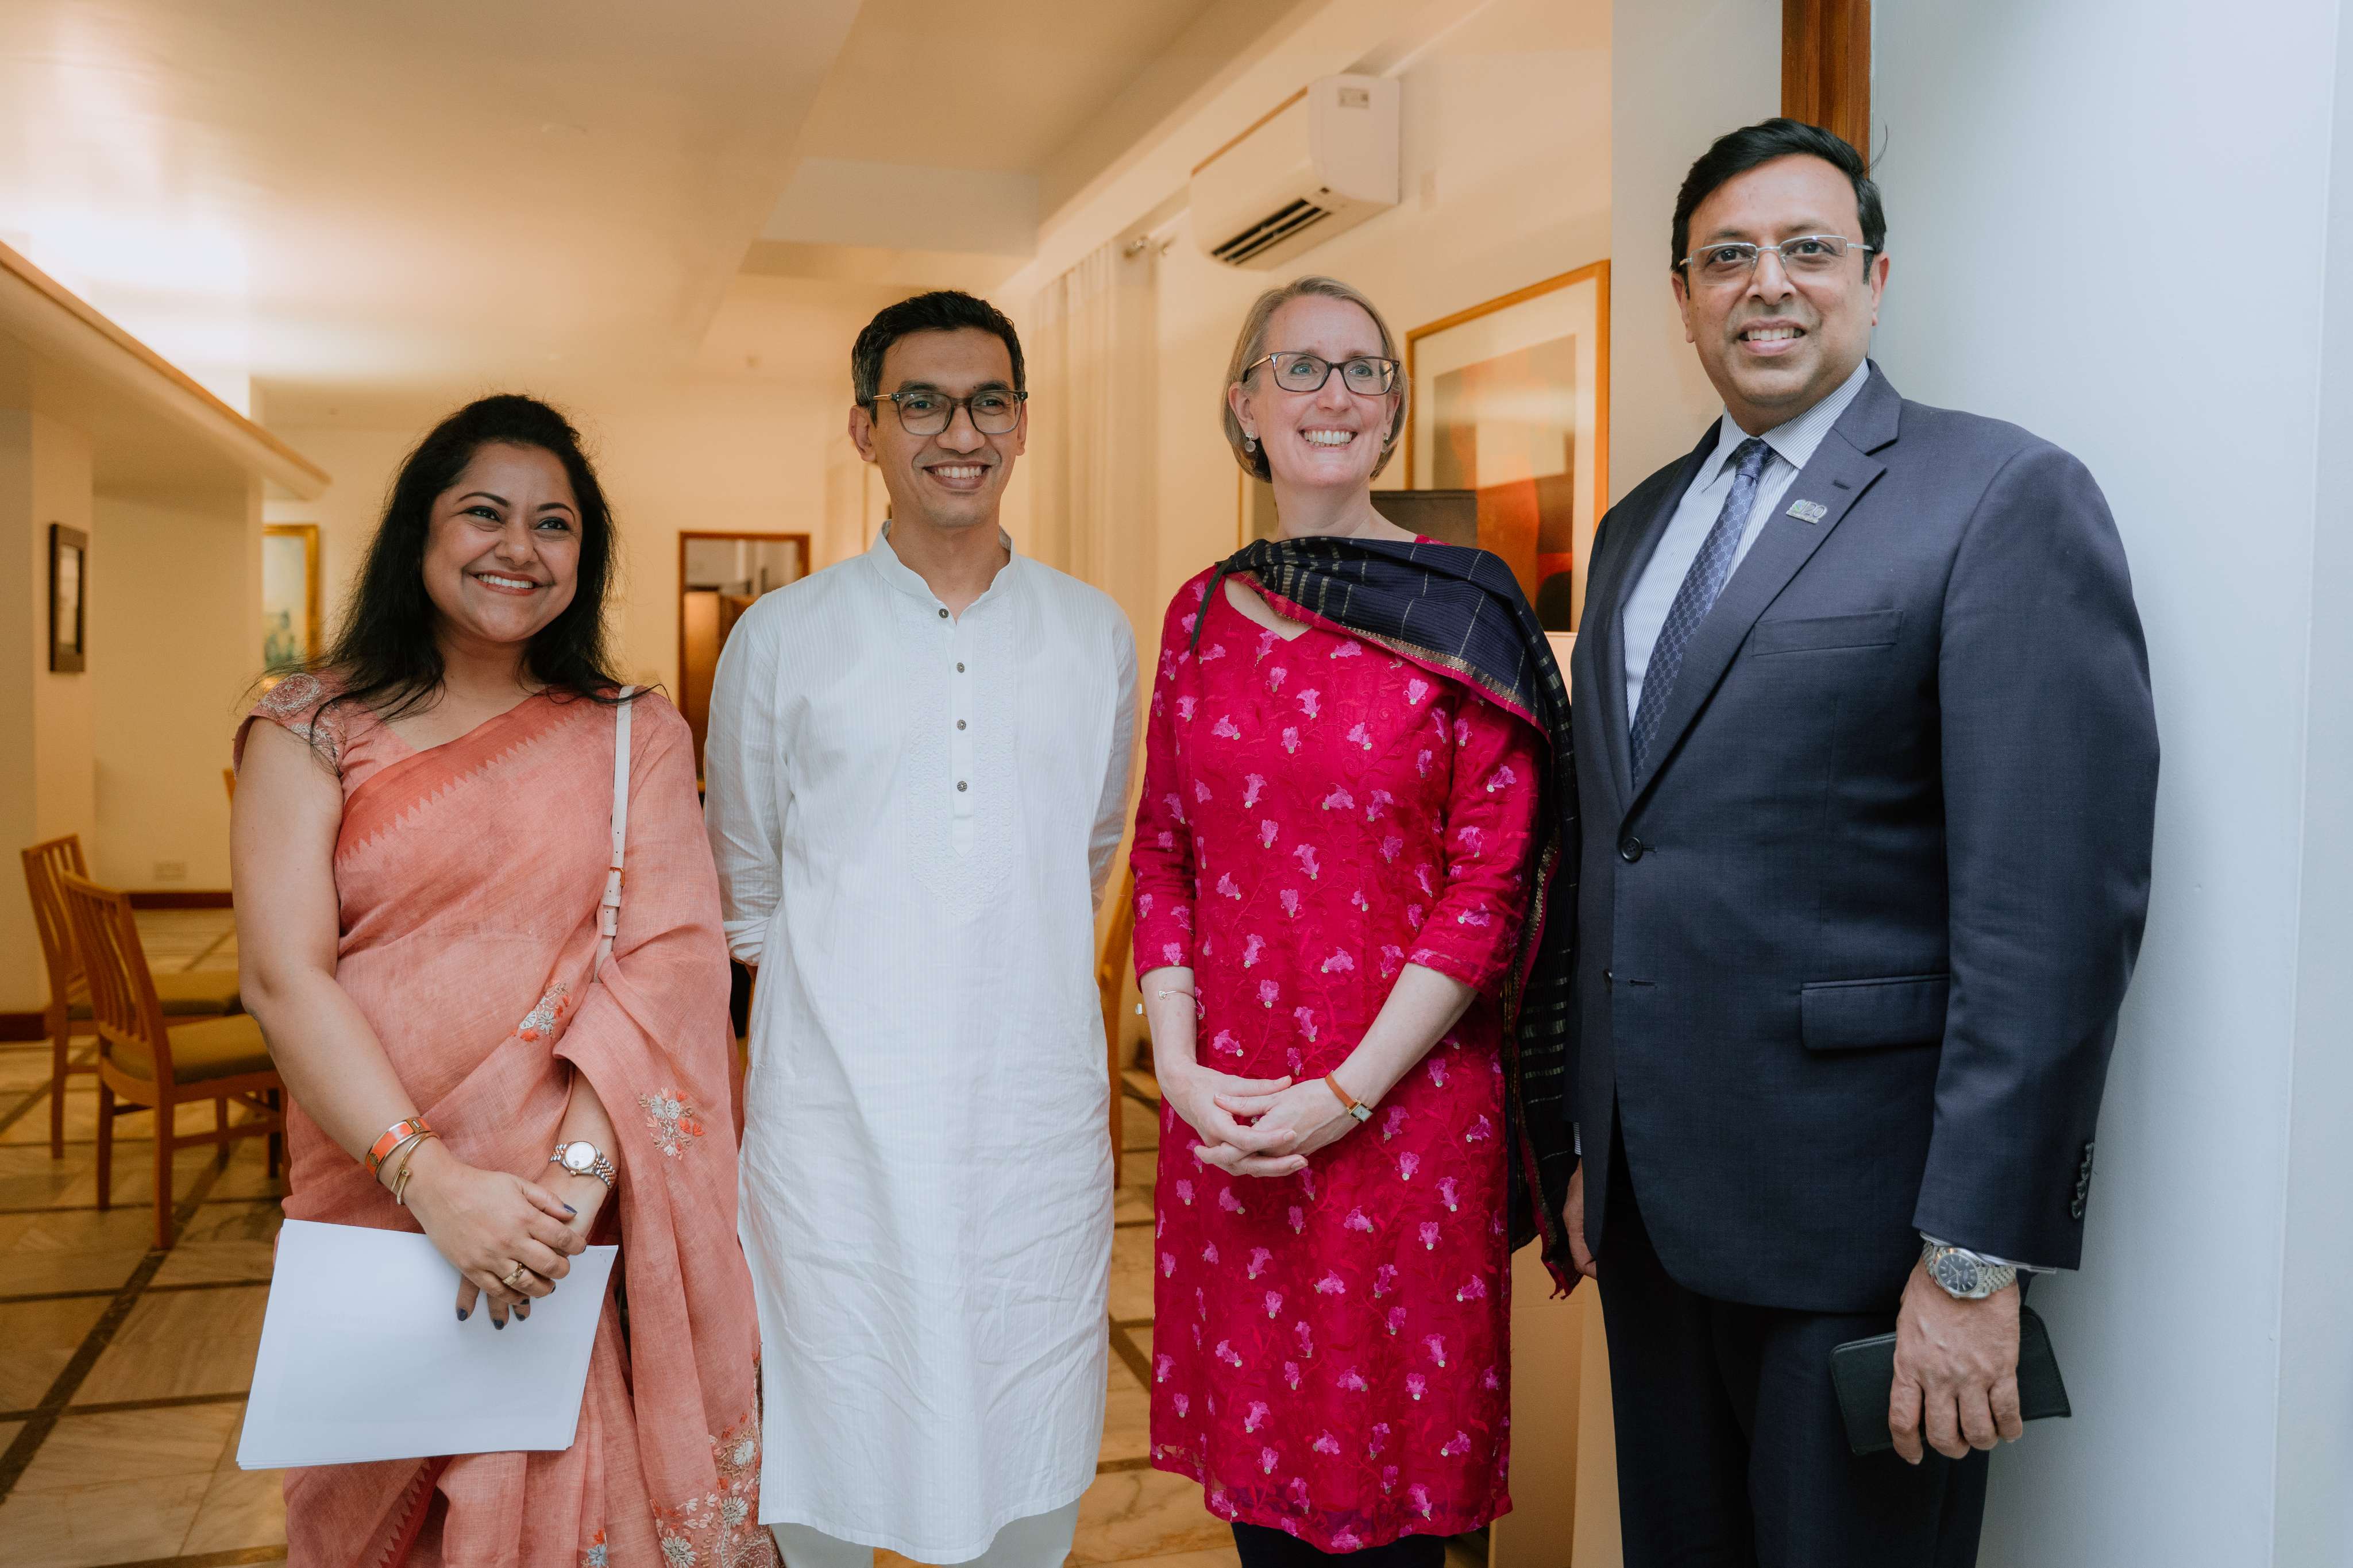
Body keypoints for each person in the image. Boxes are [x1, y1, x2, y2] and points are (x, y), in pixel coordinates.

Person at [1562, 119, 2159, 1566]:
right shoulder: (1633, 529)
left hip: (1868, 1238)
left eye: (1806, 249)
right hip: (1650, 1224)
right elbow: (1618, 855)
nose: (1765, 283)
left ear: (1875, 280)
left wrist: (1973, 1257)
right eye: (1725, 257)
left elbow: (2047, 919)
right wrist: (1588, 1138)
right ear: (1681, 297)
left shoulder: (1996, 496)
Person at [234, 395, 770, 1566]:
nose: (518, 548)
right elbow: (282, 978)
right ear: (419, 531)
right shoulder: (309, 725)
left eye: (554, 524)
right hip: (377, 1193)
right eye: (484, 513)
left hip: (570, 1223)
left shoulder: (632, 733)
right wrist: (433, 1183)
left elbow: (670, 969)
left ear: (587, 555)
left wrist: (565, 1196)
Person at [1130, 276, 1577, 1567]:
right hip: (1234, 1122)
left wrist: (1345, 1093)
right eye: (1301, 368)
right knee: (1262, 1517)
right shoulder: (1197, 613)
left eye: (1362, 371)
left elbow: (1490, 885)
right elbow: (1163, 851)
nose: (1334, 395)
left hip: (1405, 1124)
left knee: (1390, 1517)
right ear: (1244, 405)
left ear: (1391, 414)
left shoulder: (1465, 605)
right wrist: (1180, 1073)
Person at [703, 289, 1137, 1568]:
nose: (961, 432)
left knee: (1026, 1425)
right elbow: (744, 885)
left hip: (1027, 1118)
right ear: (866, 429)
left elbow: (1083, 855)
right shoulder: (781, 637)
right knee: (828, 1418)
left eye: (989, 401)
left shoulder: (1095, 632)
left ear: (1023, 422)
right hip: (834, 1121)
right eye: (923, 403)